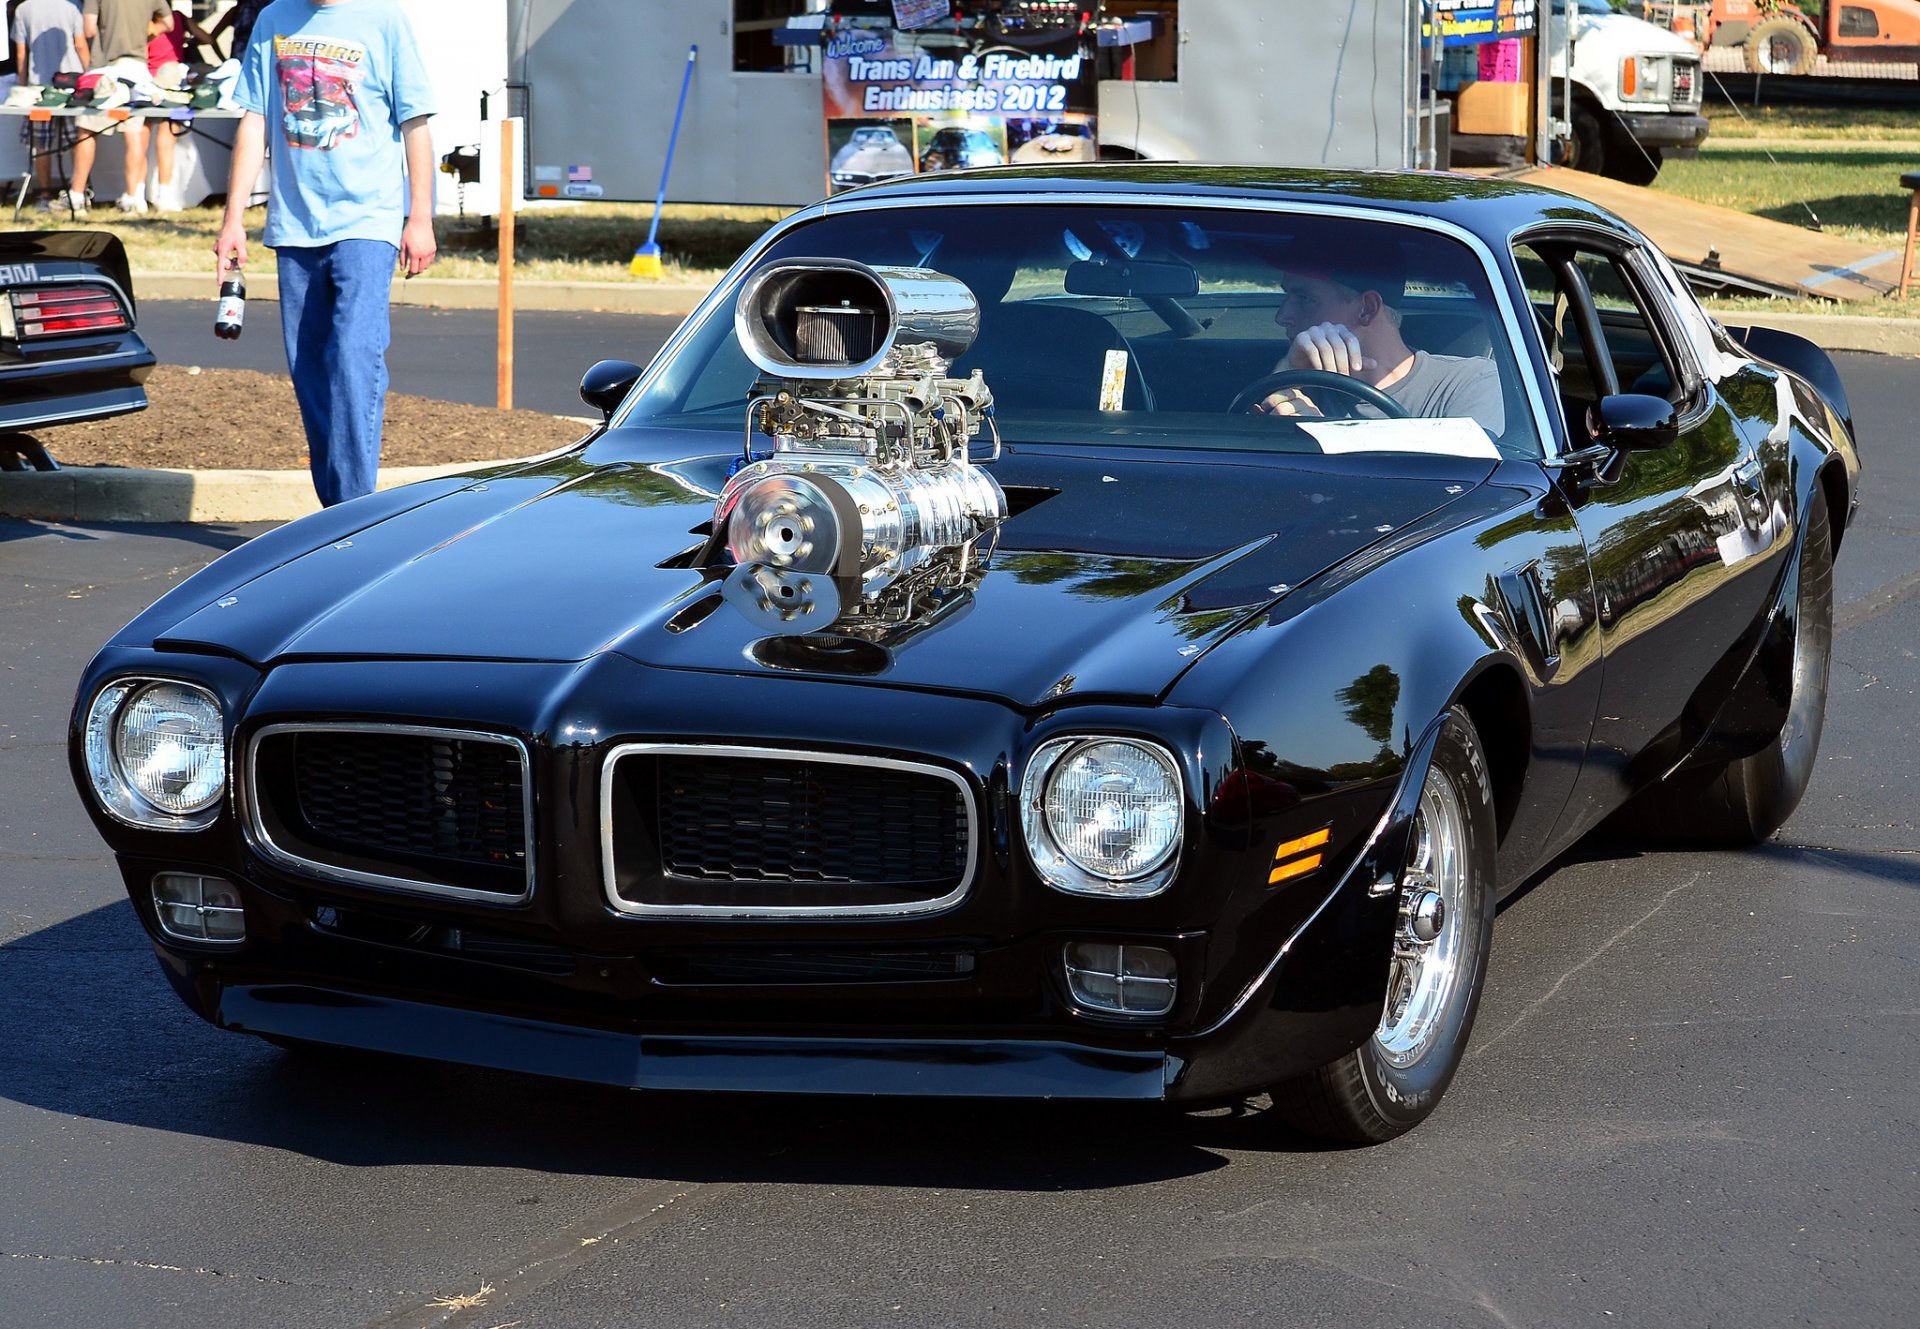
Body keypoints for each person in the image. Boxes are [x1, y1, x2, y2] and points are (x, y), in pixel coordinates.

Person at [214, 0, 437, 508]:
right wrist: (233, 220)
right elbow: (255, 121)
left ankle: (356, 509)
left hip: (367, 221)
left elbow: (415, 126)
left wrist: (419, 218)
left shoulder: (385, 21)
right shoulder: (274, 19)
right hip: (295, 226)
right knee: (311, 369)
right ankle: (335, 509)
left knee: (354, 357)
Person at [1256, 257, 1506, 436]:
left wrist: (1324, 438)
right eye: (1287, 296)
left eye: (1305, 299)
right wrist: (1286, 374)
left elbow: (1466, 494)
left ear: (1366, 309)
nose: (1282, 316)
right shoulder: (1299, 381)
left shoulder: (1468, 384)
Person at [81, 0, 169, 213]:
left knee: (87, 129)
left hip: (106, 67)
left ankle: (76, 194)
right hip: (137, 66)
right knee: (134, 133)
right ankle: (132, 196)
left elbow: (89, 29)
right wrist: (143, 34)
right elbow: (168, 23)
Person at [11, 0, 94, 213]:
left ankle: (45, 195)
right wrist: (90, 78)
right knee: (77, 139)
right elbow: (80, 44)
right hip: (71, 84)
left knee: (41, 144)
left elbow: (22, 53)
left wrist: (22, 85)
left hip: (39, 88)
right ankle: (78, 191)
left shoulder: (24, 8)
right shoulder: (73, 6)